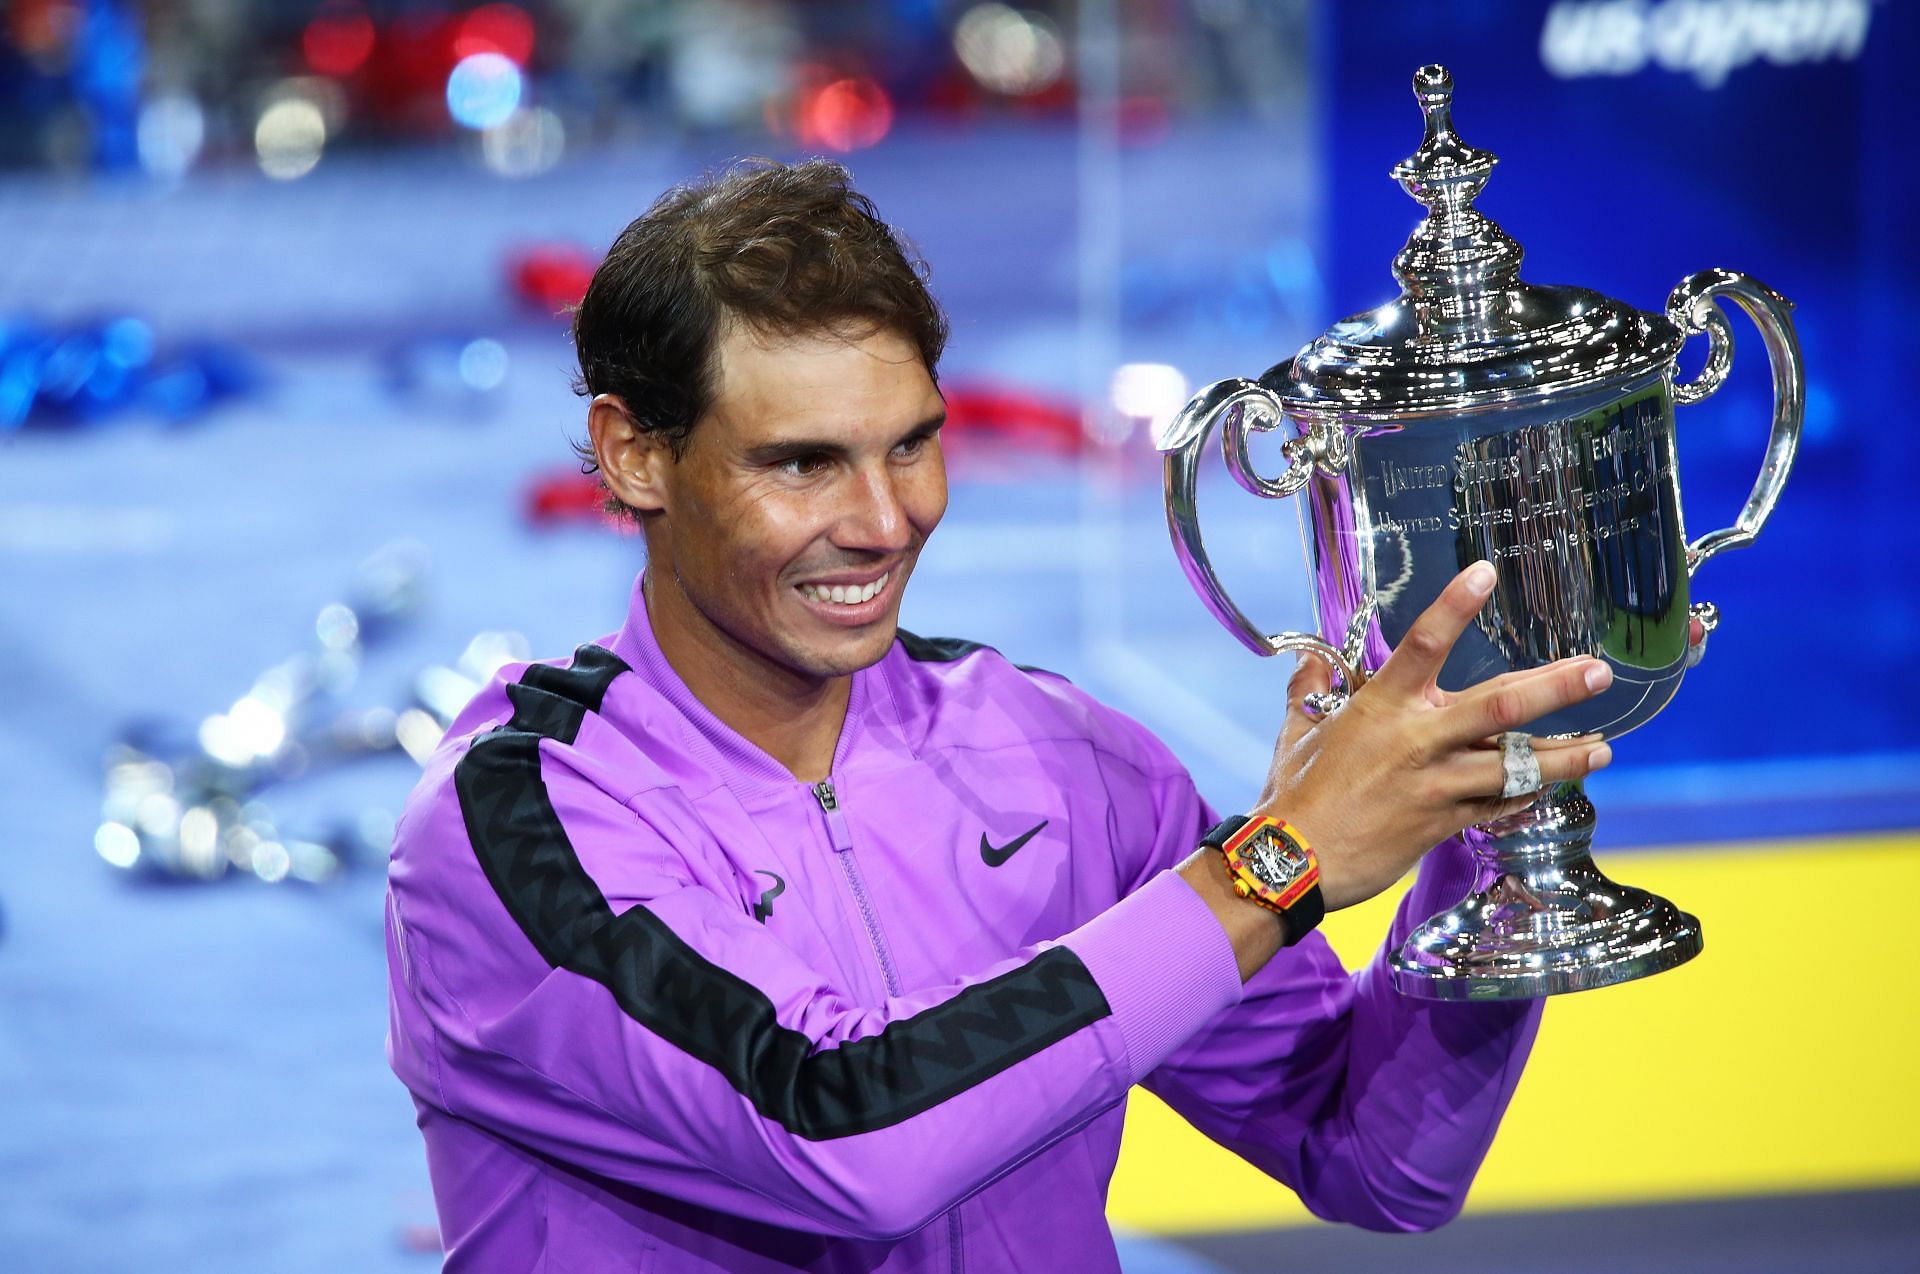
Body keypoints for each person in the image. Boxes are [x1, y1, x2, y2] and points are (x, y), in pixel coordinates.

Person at [385, 158, 1626, 1272]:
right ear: (635, 455)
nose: (883, 520)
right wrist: (1274, 861)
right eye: (803, 462)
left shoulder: (1058, 759)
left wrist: (1474, 801)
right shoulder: (516, 825)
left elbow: (1371, 1156)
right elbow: (842, 1128)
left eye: (913, 445)